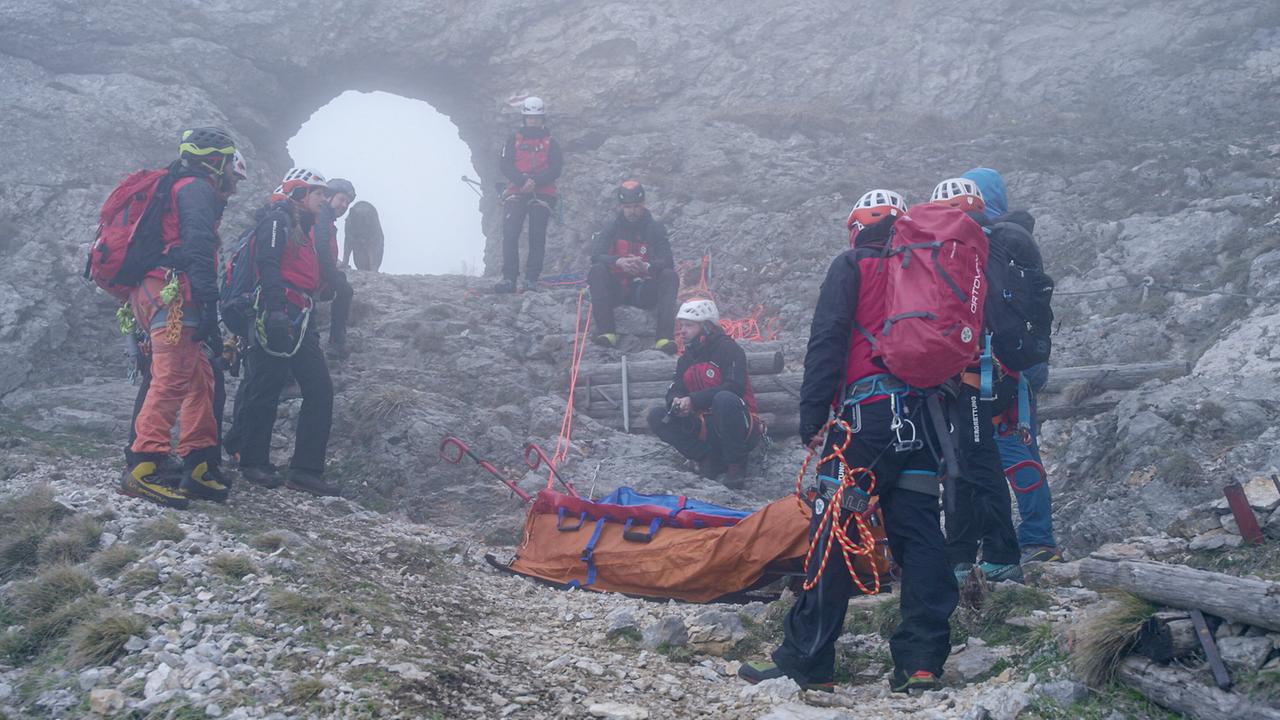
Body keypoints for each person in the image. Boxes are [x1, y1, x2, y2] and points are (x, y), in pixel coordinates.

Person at [740, 190, 957, 693]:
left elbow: (829, 337)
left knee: (831, 529)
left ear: (858, 226)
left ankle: (808, 661)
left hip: (867, 421)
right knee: (920, 536)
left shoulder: (853, 265)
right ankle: (921, 663)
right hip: (923, 424)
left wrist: (812, 413)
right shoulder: (929, 270)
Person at [121, 127, 239, 510]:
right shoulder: (197, 188)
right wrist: (209, 301)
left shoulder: (177, 185)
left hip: (155, 289)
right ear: (216, 160)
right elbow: (198, 245)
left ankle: (199, 463)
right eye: (227, 161)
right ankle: (144, 465)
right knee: (172, 376)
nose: (229, 170)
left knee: (199, 377)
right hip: (174, 290)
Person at [960, 167, 1061, 563]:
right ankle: (1031, 538)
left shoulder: (991, 242)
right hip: (1020, 362)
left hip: (996, 366)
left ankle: (1034, 539)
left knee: (1001, 449)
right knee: (1013, 446)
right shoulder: (1017, 240)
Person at [929, 177, 1023, 584]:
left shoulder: (969, 253)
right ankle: (963, 552)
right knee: (961, 459)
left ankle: (999, 552)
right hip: (973, 370)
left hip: (971, 370)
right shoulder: (982, 248)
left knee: (975, 457)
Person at [227, 167, 340, 496]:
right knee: (266, 384)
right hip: (278, 311)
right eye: (319, 193)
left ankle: (305, 469)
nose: (325, 199)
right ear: (299, 193)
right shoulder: (278, 220)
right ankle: (252, 460)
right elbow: (269, 263)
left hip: (299, 313)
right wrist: (274, 310)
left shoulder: (303, 229)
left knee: (318, 387)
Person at [646, 299, 760, 487]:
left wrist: (693, 400)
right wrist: (676, 401)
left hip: (740, 426)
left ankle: (736, 465)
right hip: (705, 427)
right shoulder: (686, 358)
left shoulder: (729, 349)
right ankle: (708, 458)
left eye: (689, 325)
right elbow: (675, 388)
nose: (682, 330)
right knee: (657, 415)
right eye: (682, 325)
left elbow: (734, 387)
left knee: (724, 399)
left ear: (707, 327)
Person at [587, 180, 679, 352]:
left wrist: (646, 266)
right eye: (628, 207)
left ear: (643, 204)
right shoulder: (611, 227)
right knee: (597, 271)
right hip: (617, 289)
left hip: (643, 290)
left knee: (670, 275)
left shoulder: (655, 228)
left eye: (636, 206)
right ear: (621, 206)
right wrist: (618, 262)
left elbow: (668, 261)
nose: (632, 211)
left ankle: (664, 338)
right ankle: (607, 333)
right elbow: (596, 256)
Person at [495, 96, 563, 293]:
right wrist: (522, 181)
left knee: (537, 234)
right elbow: (505, 164)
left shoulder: (551, 143)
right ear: (524, 118)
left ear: (542, 118)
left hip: (543, 191)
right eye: (530, 117)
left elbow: (556, 168)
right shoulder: (512, 140)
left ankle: (531, 279)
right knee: (510, 233)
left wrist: (535, 181)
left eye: (537, 117)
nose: (533, 121)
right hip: (518, 188)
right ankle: (509, 278)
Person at [314, 178, 356, 359]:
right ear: (329, 196)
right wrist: (333, 276)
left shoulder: (325, 218)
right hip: (309, 278)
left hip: (313, 275)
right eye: (341, 199)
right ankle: (336, 343)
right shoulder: (321, 217)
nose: (344, 205)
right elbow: (321, 248)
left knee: (343, 286)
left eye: (347, 202)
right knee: (343, 289)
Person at [342, 200, 384, 272]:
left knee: (373, 265)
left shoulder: (373, 222)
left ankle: (373, 271)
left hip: (373, 238)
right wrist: (345, 262)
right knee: (360, 261)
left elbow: (376, 245)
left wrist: (374, 268)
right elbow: (348, 242)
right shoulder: (350, 222)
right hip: (356, 239)